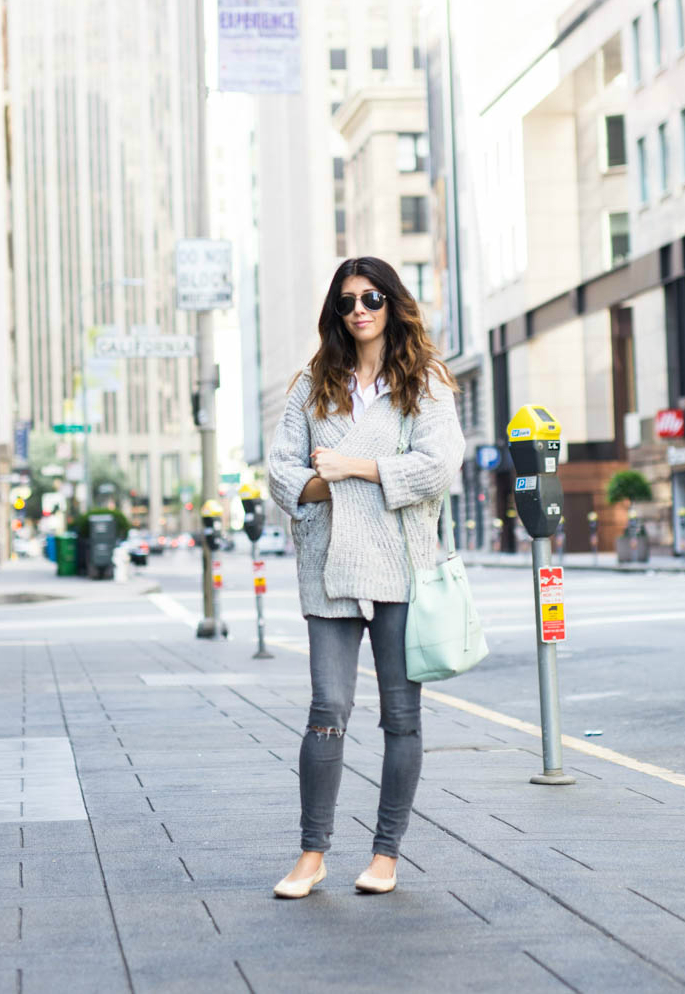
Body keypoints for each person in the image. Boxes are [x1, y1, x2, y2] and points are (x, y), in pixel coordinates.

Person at [267, 256, 465, 899]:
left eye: (372, 298)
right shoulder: (312, 383)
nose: (359, 310)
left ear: (391, 304)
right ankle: (312, 853)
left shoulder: (425, 380)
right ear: (336, 310)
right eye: (348, 300)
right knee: (327, 708)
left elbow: (438, 468)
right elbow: (282, 475)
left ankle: (386, 854)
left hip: (403, 565)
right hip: (329, 566)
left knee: (401, 717)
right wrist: (345, 480)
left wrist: (351, 466)